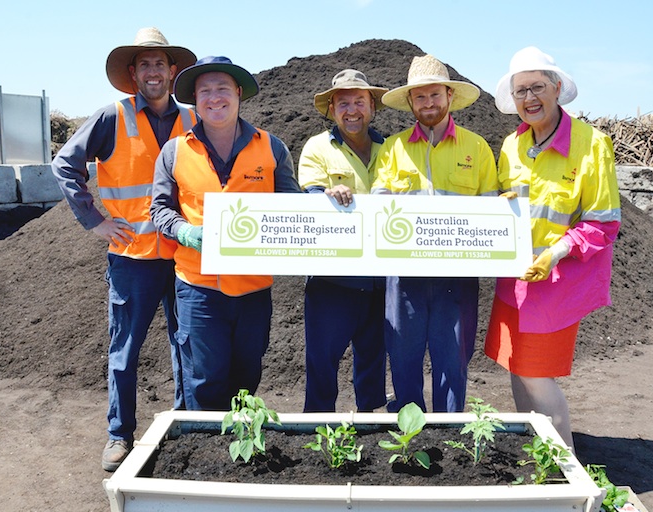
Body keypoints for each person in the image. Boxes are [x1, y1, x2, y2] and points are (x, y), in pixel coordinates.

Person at [51, 28, 197, 471]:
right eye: (145, 65)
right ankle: (119, 436)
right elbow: (63, 164)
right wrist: (94, 220)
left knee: (186, 345)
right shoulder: (111, 117)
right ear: (133, 73)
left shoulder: (194, 119)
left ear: (174, 71)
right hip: (132, 257)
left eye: (161, 64)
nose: (153, 72)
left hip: (184, 254)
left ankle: (187, 424)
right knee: (125, 349)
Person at [484, 47, 621, 450]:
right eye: (521, 90)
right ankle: (536, 451)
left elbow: (603, 222)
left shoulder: (591, 145)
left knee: (536, 373)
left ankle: (566, 469)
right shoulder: (512, 145)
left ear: (557, 88)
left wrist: (557, 252)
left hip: (559, 281)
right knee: (515, 366)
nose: (530, 98)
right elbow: (506, 203)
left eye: (538, 87)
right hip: (515, 279)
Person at [150, 56, 301, 411]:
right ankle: (205, 452)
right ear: (194, 100)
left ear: (238, 94)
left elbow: (293, 205)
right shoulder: (174, 152)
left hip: (252, 288)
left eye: (222, 89)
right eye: (205, 91)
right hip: (198, 287)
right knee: (204, 378)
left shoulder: (272, 147)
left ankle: (241, 452)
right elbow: (159, 209)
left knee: (247, 374)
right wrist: (184, 231)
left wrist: (323, 202)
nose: (214, 98)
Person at [371, 55, 499, 413]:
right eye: (420, 97)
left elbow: (490, 209)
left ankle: (449, 431)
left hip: (456, 279)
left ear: (449, 96)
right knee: (403, 356)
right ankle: (409, 433)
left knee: (453, 358)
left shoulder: (477, 148)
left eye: (434, 96)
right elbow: (379, 202)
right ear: (411, 102)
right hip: (404, 275)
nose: (428, 104)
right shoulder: (393, 148)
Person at [297, 69, 389, 412]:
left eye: (360, 102)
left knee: (373, 359)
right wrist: (326, 195)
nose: (353, 110)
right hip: (332, 279)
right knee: (322, 359)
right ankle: (318, 425)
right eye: (344, 103)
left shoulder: (392, 148)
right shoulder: (317, 148)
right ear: (332, 110)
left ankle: (370, 423)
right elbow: (312, 196)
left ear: (373, 107)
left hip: (381, 276)